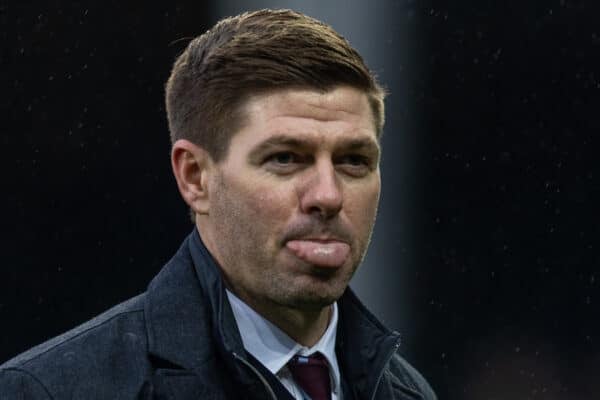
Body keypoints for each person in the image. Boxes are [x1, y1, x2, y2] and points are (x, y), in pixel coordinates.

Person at [0, 9, 436, 400]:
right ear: (195, 177)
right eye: (285, 158)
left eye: (354, 161)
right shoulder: (53, 390)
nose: (328, 194)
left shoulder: (407, 392)